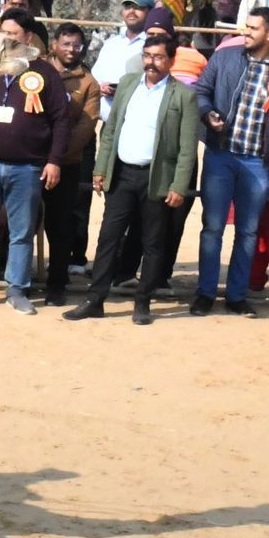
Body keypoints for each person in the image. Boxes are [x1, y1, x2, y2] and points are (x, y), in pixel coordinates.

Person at [68, 30, 201, 325]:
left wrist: (179, 185)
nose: (151, 62)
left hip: (157, 177)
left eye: (158, 57)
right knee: (108, 238)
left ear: (171, 59)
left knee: (153, 242)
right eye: (147, 56)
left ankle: (143, 301)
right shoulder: (128, 84)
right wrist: (100, 169)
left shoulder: (184, 95)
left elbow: (187, 147)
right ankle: (95, 298)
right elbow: (111, 129)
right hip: (123, 175)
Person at [0, 9, 71, 315]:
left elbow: (61, 121)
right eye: (3, 33)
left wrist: (54, 160)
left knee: (21, 233)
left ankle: (16, 290)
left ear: (28, 37)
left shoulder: (45, 74)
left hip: (27, 167)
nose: (7, 38)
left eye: (14, 33)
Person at [190, 8, 269, 316]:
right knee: (212, 227)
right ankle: (205, 293)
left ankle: (237, 296)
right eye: (246, 26)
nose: (246, 32)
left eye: (253, 28)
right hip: (220, 156)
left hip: (257, 162)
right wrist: (207, 113)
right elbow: (201, 92)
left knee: (248, 231)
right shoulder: (224, 57)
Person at [41, 22, 103, 304]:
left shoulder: (88, 83)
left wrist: (57, 155)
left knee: (60, 225)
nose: (71, 50)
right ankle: (17, 278)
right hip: (31, 159)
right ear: (55, 44)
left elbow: (85, 127)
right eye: (66, 43)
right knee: (20, 222)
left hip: (65, 164)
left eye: (76, 45)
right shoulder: (37, 71)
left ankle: (57, 284)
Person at [91, 0, 155, 91]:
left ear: (150, 12)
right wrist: (101, 88)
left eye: (138, 7)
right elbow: (95, 76)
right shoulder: (111, 44)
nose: (131, 11)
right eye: (127, 6)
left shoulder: (153, 45)